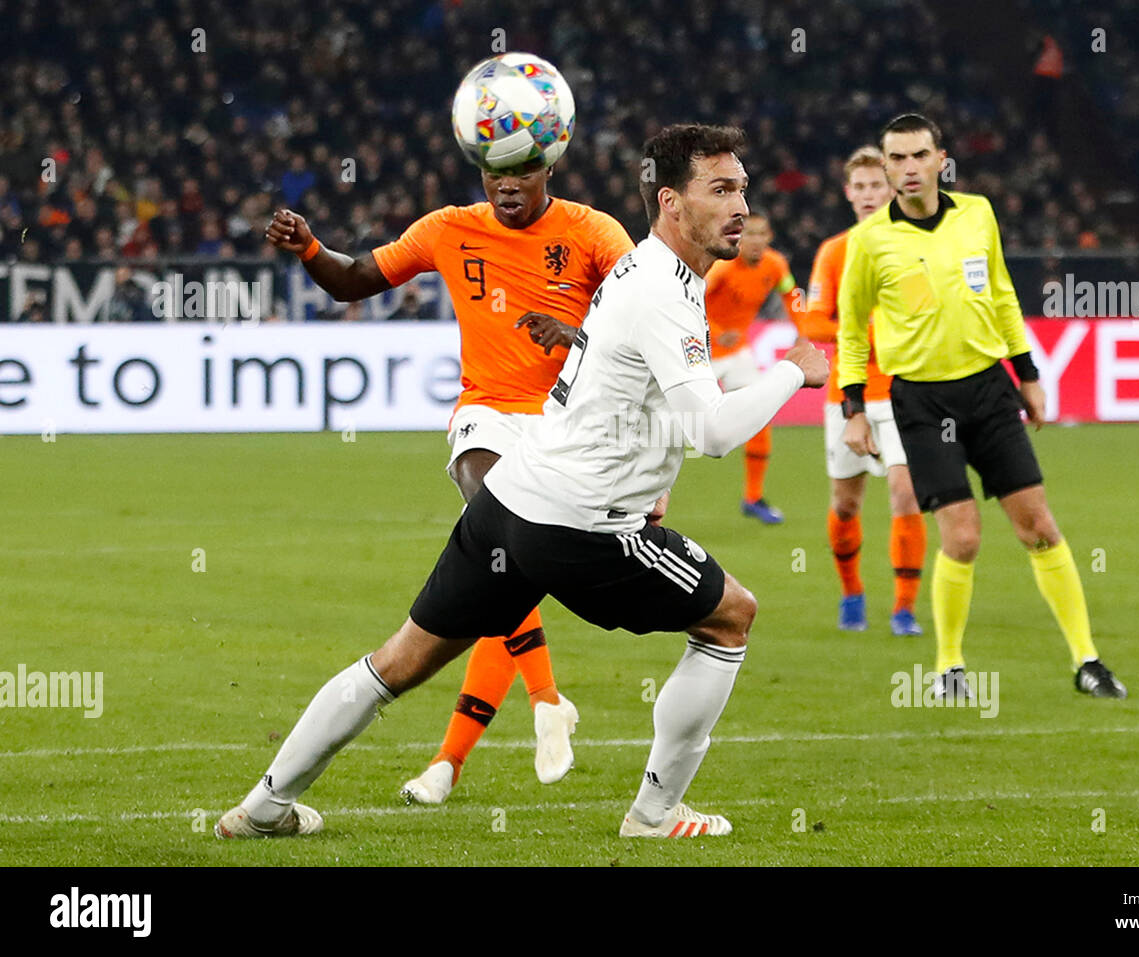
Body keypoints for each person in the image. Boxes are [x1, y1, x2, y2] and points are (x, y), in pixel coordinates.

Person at [217, 123, 828, 840]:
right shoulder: (660, 287)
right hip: (581, 525)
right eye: (721, 190)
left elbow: (618, 387)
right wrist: (795, 368)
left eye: (743, 189)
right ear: (670, 202)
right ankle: (654, 814)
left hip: (512, 500)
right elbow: (715, 431)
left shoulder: (638, 272)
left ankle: (263, 806)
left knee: (399, 660)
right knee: (731, 616)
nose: (740, 208)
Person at [262, 159, 634, 808]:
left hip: (572, 426)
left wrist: (575, 334)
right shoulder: (447, 229)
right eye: (495, 173)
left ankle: (449, 761)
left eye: (521, 170)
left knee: (503, 582)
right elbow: (355, 280)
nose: (507, 184)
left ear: (547, 166)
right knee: (501, 518)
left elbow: (641, 326)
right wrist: (313, 249)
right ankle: (546, 700)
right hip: (486, 415)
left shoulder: (594, 232)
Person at [837, 113, 1126, 699]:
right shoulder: (868, 242)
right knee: (963, 537)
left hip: (989, 391)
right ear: (886, 166)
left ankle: (1087, 661)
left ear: (941, 158)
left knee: (1039, 528)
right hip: (921, 400)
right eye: (897, 158)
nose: (910, 168)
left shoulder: (978, 213)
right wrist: (854, 408)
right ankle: (948, 668)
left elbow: (1000, 293)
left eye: (920, 155)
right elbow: (850, 331)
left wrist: (1029, 373)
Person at [798, 145, 926, 634]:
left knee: (904, 493)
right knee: (846, 504)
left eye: (878, 185)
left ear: (891, 189)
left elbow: (922, 313)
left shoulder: (911, 247)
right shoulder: (834, 251)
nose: (870, 194)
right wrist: (868, 333)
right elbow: (812, 320)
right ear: (849, 193)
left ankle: (904, 608)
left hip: (901, 391)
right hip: (846, 394)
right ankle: (851, 593)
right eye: (862, 187)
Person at [704, 212, 799, 524]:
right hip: (701, 352)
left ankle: (753, 497)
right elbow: (689, 298)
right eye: (750, 234)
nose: (756, 241)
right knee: (666, 426)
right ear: (739, 238)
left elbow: (793, 297)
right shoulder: (722, 267)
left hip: (738, 353)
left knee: (759, 417)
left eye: (762, 234)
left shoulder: (775, 265)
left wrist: (805, 328)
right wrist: (716, 332)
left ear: (769, 236)